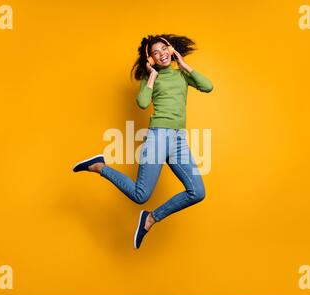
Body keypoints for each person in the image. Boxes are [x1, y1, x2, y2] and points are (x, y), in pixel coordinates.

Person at [72, 34, 214, 249]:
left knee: (197, 192)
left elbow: (208, 86)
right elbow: (142, 102)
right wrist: (151, 76)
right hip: (158, 136)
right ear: (150, 59)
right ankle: (99, 166)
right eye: (155, 53)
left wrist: (184, 64)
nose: (161, 55)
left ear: (171, 49)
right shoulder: (151, 79)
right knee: (141, 195)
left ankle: (151, 218)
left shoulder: (182, 75)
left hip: (178, 140)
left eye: (164, 49)